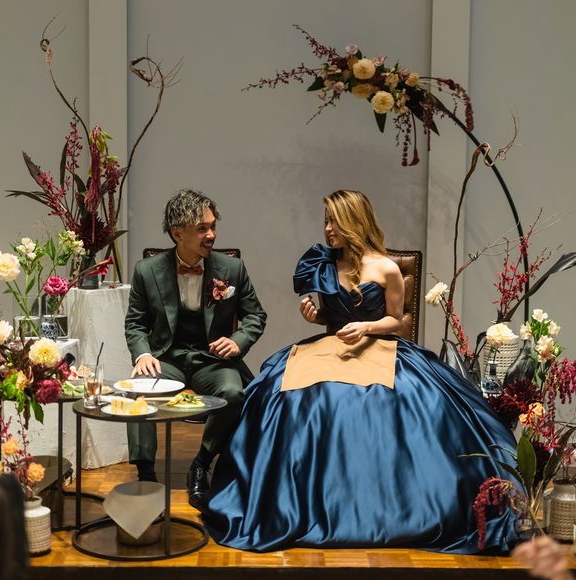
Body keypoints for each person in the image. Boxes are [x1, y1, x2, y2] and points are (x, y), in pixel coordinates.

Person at [203, 189, 519, 553]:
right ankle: (286, 498)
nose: (327, 229)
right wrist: (315, 316)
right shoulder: (323, 264)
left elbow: (395, 320)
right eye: (326, 221)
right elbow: (329, 316)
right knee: (287, 394)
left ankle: (377, 501)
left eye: (334, 221)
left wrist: (366, 327)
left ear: (354, 221)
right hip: (329, 345)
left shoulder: (386, 268)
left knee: (393, 399)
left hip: (378, 346)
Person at [124, 188, 267, 509]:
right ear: (178, 234)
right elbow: (135, 323)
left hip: (211, 361)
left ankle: (202, 462)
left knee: (233, 392)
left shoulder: (232, 269)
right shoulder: (147, 270)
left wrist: (238, 341)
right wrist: (143, 353)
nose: (211, 234)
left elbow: (256, 316)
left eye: (213, 226)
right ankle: (146, 473)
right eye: (202, 228)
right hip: (167, 358)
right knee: (138, 389)